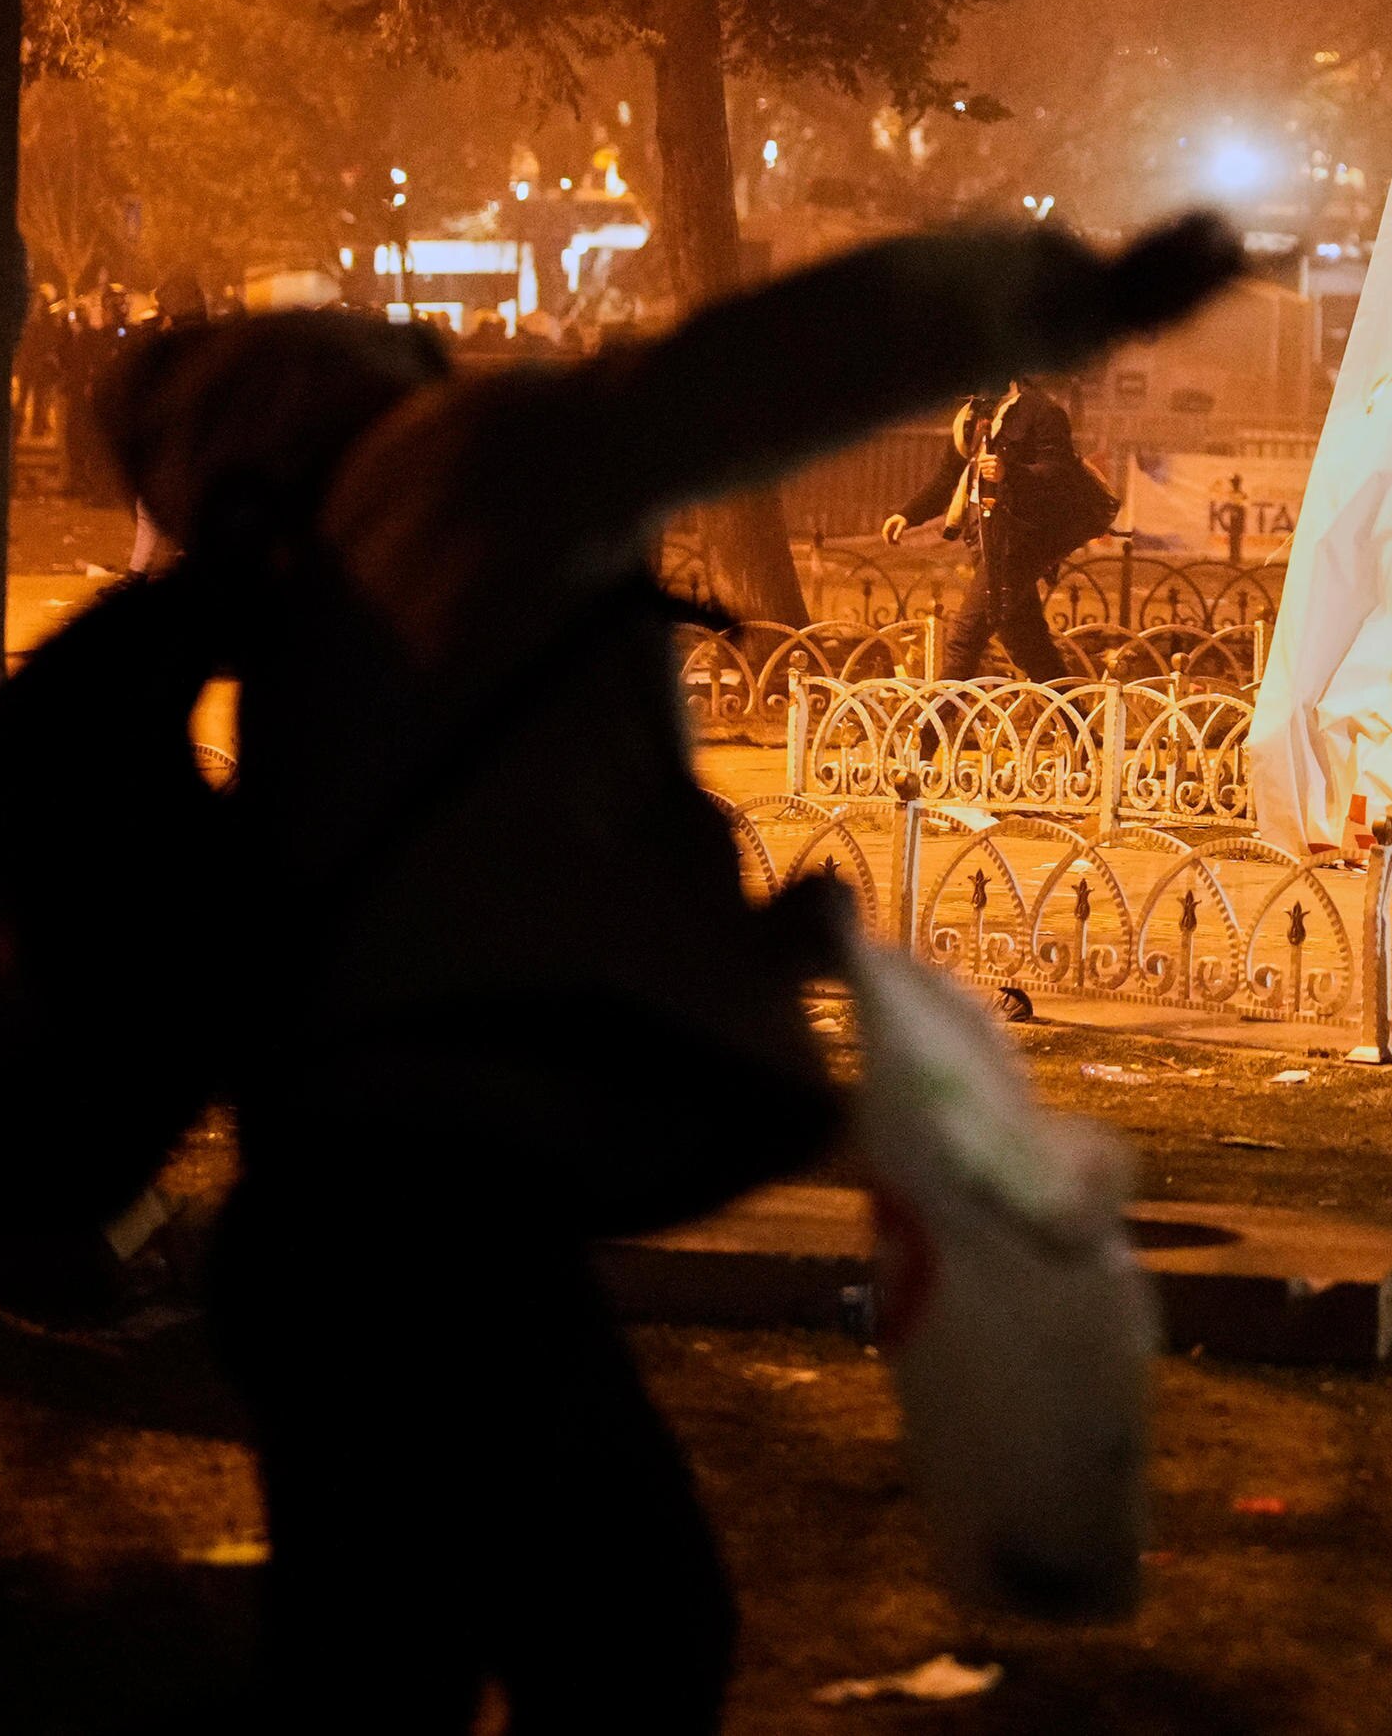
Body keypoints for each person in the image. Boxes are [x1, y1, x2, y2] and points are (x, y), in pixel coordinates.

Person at [113, 212, 1235, 1736]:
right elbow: (756, 368)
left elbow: (471, 873)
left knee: (391, 1662)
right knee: (629, 1638)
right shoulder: (472, 464)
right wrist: (1059, 297)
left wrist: (719, 953)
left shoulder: (321, 573)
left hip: (330, 1220)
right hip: (438, 1220)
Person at [889, 375, 1114, 682]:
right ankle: (1077, 724)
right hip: (982, 537)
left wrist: (1010, 473)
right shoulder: (971, 417)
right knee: (1026, 641)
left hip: (1020, 541)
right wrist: (907, 515)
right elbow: (947, 477)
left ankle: (934, 725)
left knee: (964, 637)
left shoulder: (1041, 412)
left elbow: (1059, 475)